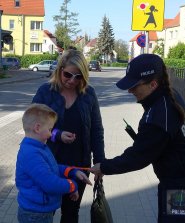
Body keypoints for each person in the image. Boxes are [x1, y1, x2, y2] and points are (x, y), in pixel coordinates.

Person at [90, 54, 185, 223]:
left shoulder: (159, 115)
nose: (130, 90)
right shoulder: (167, 96)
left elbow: (137, 158)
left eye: (134, 86)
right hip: (181, 179)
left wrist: (104, 167)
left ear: (153, 84)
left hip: (181, 187)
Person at [32, 49, 105, 223]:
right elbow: (32, 125)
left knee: (71, 213)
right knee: (45, 212)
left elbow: (96, 130)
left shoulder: (88, 94)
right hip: (49, 164)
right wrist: (56, 134)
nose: (72, 80)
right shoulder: (46, 92)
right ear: (60, 69)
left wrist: (101, 162)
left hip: (79, 166)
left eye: (78, 76)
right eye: (68, 74)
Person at [16, 103, 92, 223]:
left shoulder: (40, 147)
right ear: (37, 128)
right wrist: (72, 185)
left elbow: (52, 167)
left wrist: (72, 171)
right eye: (50, 129)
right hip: (35, 215)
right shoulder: (32, 154)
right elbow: (50, 183)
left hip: (40, 211)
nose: (51, 134)